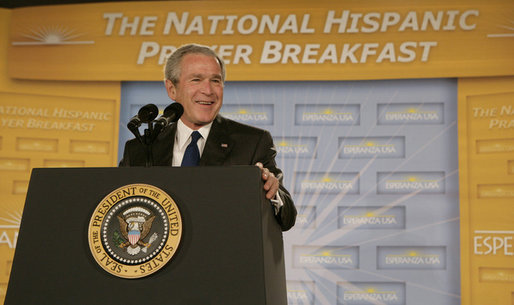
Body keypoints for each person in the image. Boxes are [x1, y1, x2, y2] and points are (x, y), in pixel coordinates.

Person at [119, 43, 296, 231]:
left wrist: (273, 192)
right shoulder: (141, 148)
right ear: (172, 89)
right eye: (196, 79)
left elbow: (288, 218)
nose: (208, 90)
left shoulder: (253, 142)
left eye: (216, 80)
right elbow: (119, 209)